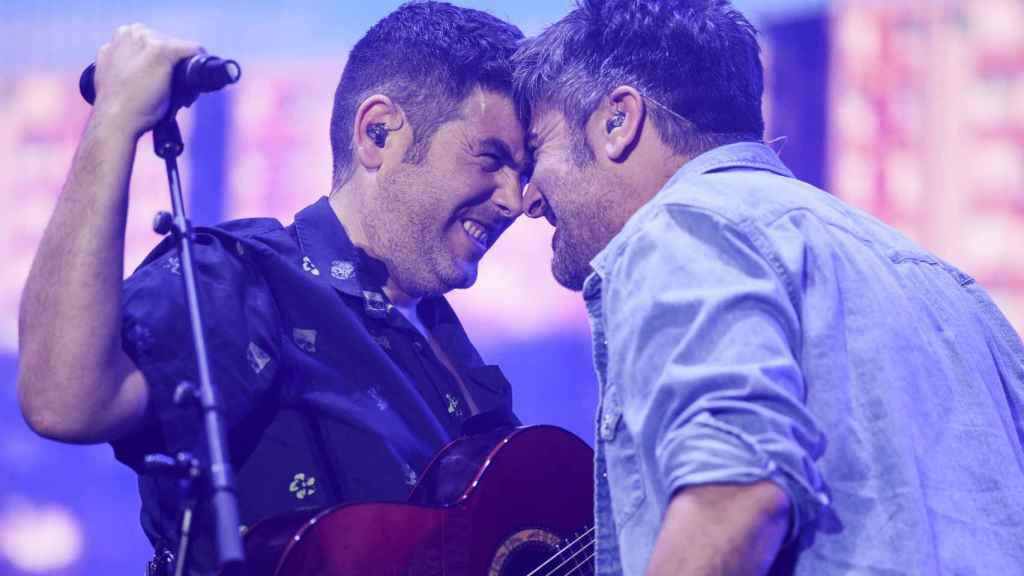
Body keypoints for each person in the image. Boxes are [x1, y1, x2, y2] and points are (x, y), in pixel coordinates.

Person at [513, 0, 1024, 574]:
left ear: (618, 121)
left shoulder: (682, 226)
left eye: (536, 152)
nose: (527, 197)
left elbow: (733, 496)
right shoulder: (948, 288)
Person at [17, 2, 529, 573]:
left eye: (524, 171)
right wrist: (114, 120)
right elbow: (62, 400)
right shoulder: (246, 279)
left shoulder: (453, 356)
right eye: (491, 158)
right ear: (377, 133)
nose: (515, 199)